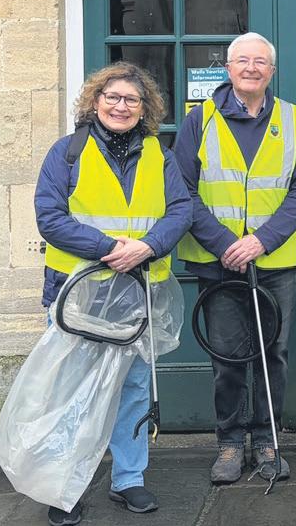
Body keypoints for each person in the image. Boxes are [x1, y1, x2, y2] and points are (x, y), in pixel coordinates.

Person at [35, 62, 192, 524]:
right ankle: (64, 487)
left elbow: (180, 210)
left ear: (144, 108)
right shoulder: (66, 152)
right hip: (78, 294)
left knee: (134, 388)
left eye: (132, 100)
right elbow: (50, 217)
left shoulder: (159, 155)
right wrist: (109, 249)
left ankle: (129, 478)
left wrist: (148, 246)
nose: (122, 106)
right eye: (113, 97)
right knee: (71, 392)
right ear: (95, 101)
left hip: (138, 292)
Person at [173, 32, 296, 485]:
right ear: (228, 69)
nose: (251, 68)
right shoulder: (200, 119)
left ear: (272, 71)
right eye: (243, 61)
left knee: (275, 354)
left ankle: (268, 441)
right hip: (219, 263)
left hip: (274, 261)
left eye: (260, 62)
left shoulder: (291, 118)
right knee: (228, 358)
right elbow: (182, 191)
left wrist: (262, 240)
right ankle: (231, 443)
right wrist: (225, 245)